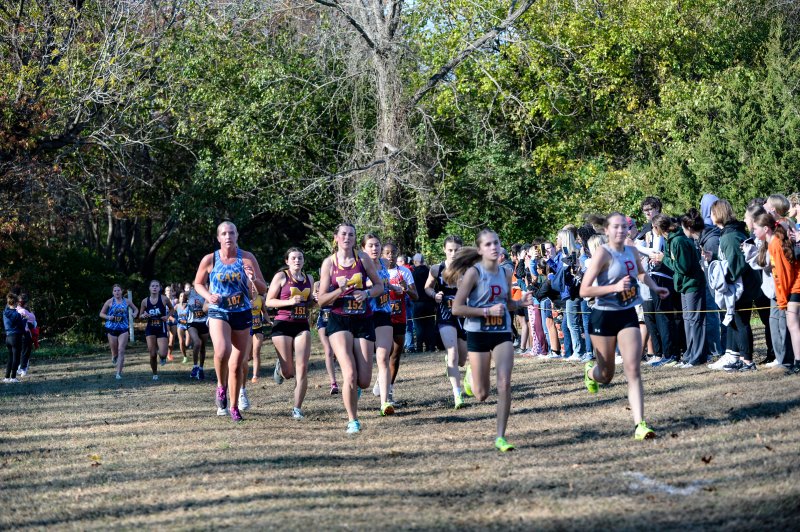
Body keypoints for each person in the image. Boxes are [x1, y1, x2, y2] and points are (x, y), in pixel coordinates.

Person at [580, 212, 670, 440]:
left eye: (624, 227)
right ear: (607, 231)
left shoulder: (631, 250)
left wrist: (654, 286)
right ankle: (591, 373)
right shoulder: (602, 253)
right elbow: (584, 291)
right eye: (616, 228)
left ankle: (640, 424)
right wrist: (614, 288)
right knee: (607, 374)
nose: (621, 231)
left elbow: (640, 273)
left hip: (627, 315)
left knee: (633, 369)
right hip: (604, 316)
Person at [450, 229, 533, 452]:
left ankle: (501, 436)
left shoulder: (506, 273)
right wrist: (486, 311)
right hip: (477, 333)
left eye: (496, 243)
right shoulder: (473, 274)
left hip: (501, 333)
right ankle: (471, 377)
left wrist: (519, 302)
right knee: (481, 394)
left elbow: (507, 304)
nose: (494, 247)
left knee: (505, 383)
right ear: (480, 250)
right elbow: (457, 308)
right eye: (488, 244)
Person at [194, 221, 267, 422]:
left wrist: (252, 279)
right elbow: (198, 283)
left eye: (231, 233)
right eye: (224, 233)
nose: (228, 236)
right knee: (222, 350)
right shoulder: (210, 259)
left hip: (242, 312)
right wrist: (208, 297)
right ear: (218, 238)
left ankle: (234, 407)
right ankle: (220, 386)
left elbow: (262, 288)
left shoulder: (247, 258)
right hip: (219, 310)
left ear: (236, 235)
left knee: (237, 364)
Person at [316, 223, 385, 434]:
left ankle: (353, 391)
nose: (347, 237)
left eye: (351, 234)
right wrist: (341, 290)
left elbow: (379, 286)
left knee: (363, 380)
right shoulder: (329, 263)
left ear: (355, 239)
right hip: (339, 321)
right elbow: (322, 300)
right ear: (336, 237)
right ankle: (353, 420)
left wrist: (366, 294)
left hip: (363, 319)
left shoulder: (363, 259)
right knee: (350, 373)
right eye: (343, 234)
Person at [711, 200, 761, 372]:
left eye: (712, 213)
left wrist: (726, 280)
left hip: (740, 287)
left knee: (741, 323)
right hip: (741, 285)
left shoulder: (729, 236)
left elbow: (736, 264)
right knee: (737, 321)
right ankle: (740, 358)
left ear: (718, 214)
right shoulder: (732, 232)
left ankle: (747, 361)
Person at [265, 247, 315, 419]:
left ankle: (297, 408)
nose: (297, 260)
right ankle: (281, 368)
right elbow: (269, 302)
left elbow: (310, 304)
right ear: (287, 261)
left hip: (302, 325)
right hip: (282, 324)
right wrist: (289, 301)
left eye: (300, 257)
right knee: (289, 373)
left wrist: (314, 301)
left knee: (302, 368)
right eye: (293, 258)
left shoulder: (309, 278)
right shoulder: (281, 277)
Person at [653, 211, 707, 367]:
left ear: (657, 227)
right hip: (683, 285)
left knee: (695, 320)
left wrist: (664, 259)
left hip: (692, 285)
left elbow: (682, 267)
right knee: (688, 320)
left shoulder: (678, 241)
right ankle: (690, 354)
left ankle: (697, 356)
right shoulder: (671, 240)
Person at [425, 235, 471, 408]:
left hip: (464, 315)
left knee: (461, 360)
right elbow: (427, 287)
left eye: (457, 250)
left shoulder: (469, 269)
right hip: (445, 315)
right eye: (450, 250)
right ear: (444, 250)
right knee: (452, 353)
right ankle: (457, 395)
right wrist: (434, 295)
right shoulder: (437, 269)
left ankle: (460, 372)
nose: (453, 253)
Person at [752, 211, 800, 375]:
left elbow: (782, 275)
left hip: (793, 288)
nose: (753, 233)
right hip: (789, 289)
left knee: (793, 325)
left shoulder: (775, 244)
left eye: (755, 229)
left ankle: (796, 362)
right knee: (792, 325)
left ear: (766, 229)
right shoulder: (773, 243)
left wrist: (782, 300)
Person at [361, 235, 396, 415]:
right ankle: (358, 385)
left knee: (383, 358)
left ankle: (385, 402)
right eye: (370, 246)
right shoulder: (359, 265)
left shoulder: (383, 263)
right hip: (365, 315)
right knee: (364, 366)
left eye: (377, 245)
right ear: (363, 249)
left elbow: (384, 283)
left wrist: (393, 287)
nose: (374, 249)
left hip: (383, 313)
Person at [384, 242, 418, 405]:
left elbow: (415, 296)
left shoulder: (404, 272)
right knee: (384, 354)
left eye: (393, 252)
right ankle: (380, 383)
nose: (390, 255)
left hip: (399, 316)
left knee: (396, 355)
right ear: (383, 254)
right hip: (381, 317)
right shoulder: (377, 271)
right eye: (387, 252)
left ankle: (389, 390)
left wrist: (406, 288)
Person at [98, 284, 138, 379]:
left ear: (121, 291)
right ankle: (113, 356)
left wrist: (134, 314)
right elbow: (101, 314)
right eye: (115, 291)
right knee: (115, 351)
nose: (117, 292)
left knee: (121, 350)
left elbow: (135, 309)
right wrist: (108, 317)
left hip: (123, 329)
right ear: (113, 292)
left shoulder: (127, 301)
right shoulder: (109, 301)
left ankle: (118, 373)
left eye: (118, 290)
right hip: (111, 328)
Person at [139, 280, 175, 381]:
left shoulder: (164, 299)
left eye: (156, 286)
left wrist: (167, 316)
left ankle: (163, 357)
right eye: (152, 286)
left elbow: (172, 309)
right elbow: (140, 316)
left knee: (163, 353)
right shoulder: (145, 301)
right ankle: (155, 373)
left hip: (161, 327)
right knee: (152, 354)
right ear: (149, 288)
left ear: (159, 288)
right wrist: (144, 315)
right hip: (150, 328)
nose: (154, 288)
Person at [313, 279, 338, 394]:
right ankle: (333, 383)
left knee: (338, 352)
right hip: (323, 319)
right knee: (328, 351)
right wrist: (315, 297)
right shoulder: (317, 285)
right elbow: (316, 302)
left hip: (337, 319)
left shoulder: (338, 283)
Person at [411, 254, 437, 353]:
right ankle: (431, 346)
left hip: (417, 303)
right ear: (423, 261)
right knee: (430, 325)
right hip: (430, 302)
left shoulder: (413, 274)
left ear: (415, 262)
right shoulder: (430, 272)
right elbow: (435, 288)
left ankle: (419, 348)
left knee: (418, 326)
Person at [187, 286, 209, 381]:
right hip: (192, 322)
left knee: (203, 347)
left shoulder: (207, 294)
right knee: (197, 342)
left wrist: (204, 306)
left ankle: (201, 368)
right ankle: (195, 366)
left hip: (204, 322)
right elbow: (180, 296)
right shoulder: (189, 294)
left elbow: (211, 307)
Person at [4, 293, 27, 383]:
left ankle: (6, 377)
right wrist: (24, 319)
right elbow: (21, 327)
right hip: (16, 337)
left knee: (10, 358)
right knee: (16, 358)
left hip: (8, 337)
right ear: (16, 303)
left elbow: (8, 306)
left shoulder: (5, 312)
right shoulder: (17, 315)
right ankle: (13, 377)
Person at [248, 284, 266, 384]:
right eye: (251, 286)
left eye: (255, 286)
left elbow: (264, 311)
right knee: (247, 356)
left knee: (256, 352)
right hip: (247, 328)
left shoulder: (261, 299)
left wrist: (269, 320)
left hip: (258, 327)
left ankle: (255, 376)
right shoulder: (244, 298)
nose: (253, 288)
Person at [15, 294, 37, 377]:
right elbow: (33, 319)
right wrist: (31, 312)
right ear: (25, 303)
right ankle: (23, 369)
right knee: (25, 352)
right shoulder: (24, 312)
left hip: (16, 334)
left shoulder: (15, 310)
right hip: (25, 334)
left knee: (19, 352)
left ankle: (19, 368)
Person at [174, 291, 191, 364]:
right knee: (181, 342)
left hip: (188, 325)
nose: (182, 297)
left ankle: (186, 347)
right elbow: (170, 312)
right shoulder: (177, 306)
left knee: (186, 344)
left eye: (184, 296)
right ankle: (185, 357)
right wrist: (172, 318)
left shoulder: (189, 305)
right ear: (179, 298)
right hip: (180, 325)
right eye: (181, 296)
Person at [164, 285, 178, 362]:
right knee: (166, 335)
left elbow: (178, 309)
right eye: (168, 290)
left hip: (174, 321)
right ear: (165, 292)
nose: (169, 292)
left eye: (170, 290)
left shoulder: (176, 301)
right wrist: (170, 317)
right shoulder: (163, 301)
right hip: (166, 321)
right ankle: (164, 352)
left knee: (172, 340)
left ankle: (169, 354)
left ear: (173, 292)